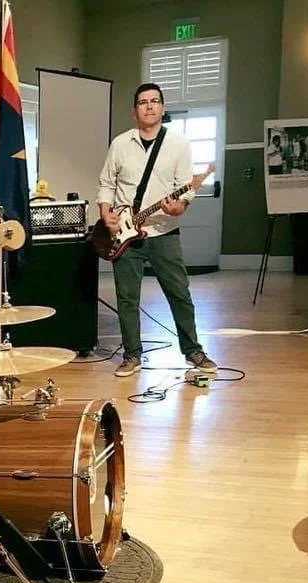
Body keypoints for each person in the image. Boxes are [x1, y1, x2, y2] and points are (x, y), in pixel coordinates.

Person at [97, 82, 216, 377]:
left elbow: (186, 189)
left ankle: (193, 351)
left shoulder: (178, 144)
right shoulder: (120, 144)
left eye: (154, 101)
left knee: (179, 294)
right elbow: (107, 184)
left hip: (164, 232)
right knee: (127, 298)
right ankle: (131, 355)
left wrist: (178, 207)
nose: (149, 106)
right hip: (125, 236)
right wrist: (105, 213)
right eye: (143, 102)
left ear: (163, 108)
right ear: (134, 110)